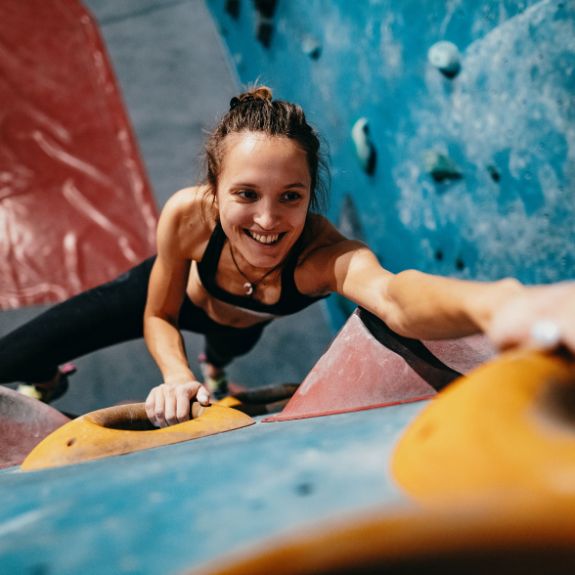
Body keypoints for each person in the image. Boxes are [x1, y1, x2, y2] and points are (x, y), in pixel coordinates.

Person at [0, 86, 572, 427]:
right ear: (215, 190)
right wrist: (173, 376)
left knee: (228, 346)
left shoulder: (320, 258)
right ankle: (49, 379)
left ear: (308, 195)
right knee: (14, 356)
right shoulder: (188, 216)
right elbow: (159, 315)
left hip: (243, 323)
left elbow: (395, 296)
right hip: (168, 297)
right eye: (246, 195)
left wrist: (501, 305)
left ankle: (216, 371)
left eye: (290, 197)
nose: (270, 221)